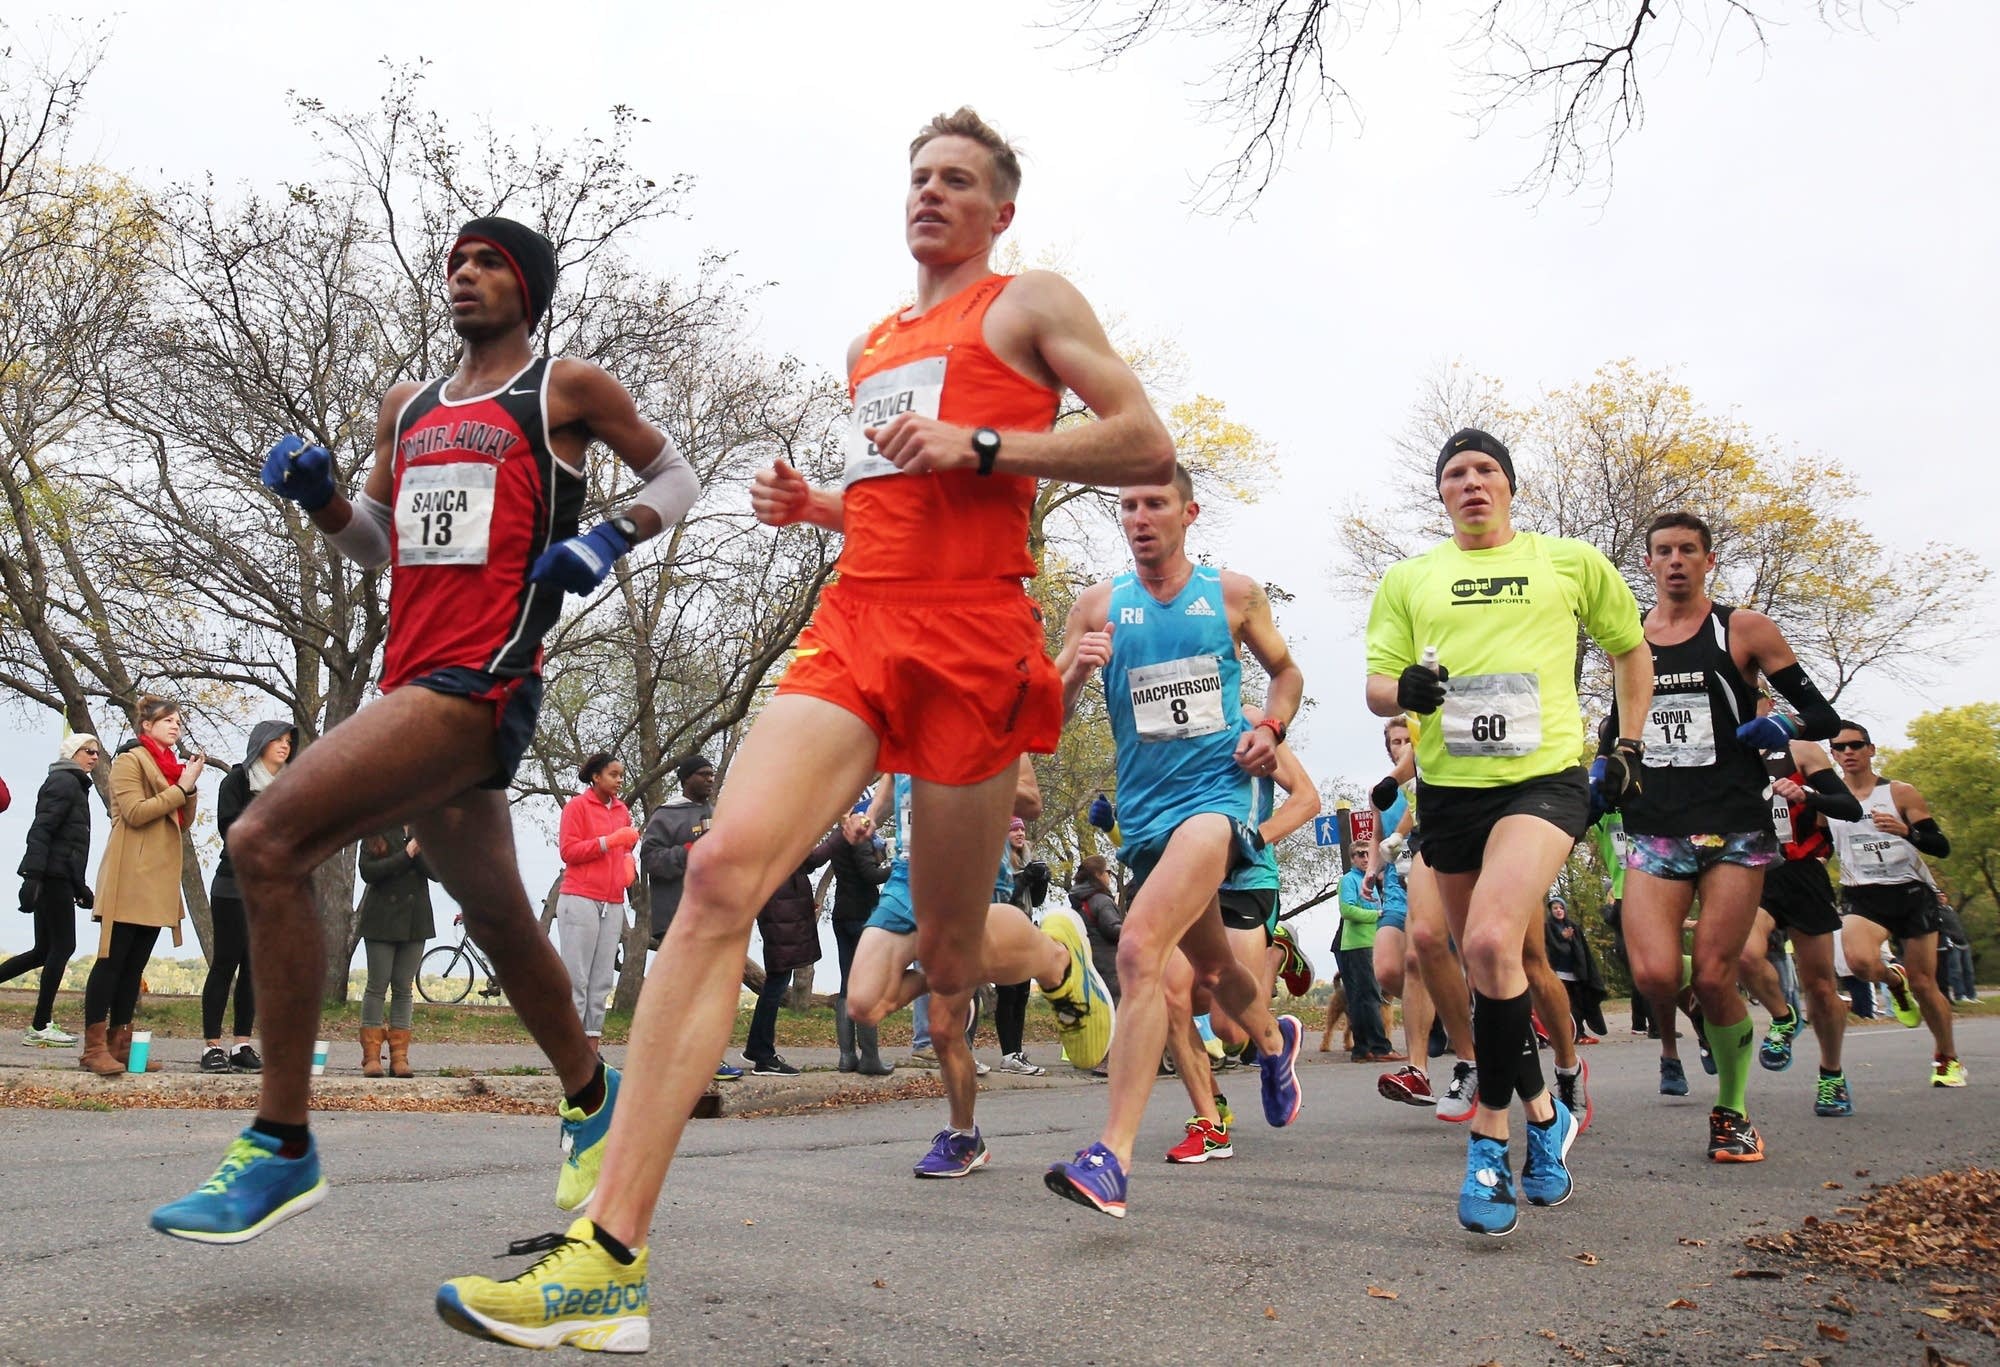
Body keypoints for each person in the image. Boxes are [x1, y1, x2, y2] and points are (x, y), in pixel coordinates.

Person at [436, 108, 1174, 1351]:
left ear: (998, 211)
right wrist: (821, 505)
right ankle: (606, 1255)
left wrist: (982, 442)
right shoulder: (871, 342)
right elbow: (903, 499)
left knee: (948, 957)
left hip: (973, 634)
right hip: (859, 622)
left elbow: (1143, 439)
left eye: (956, 181)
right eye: (918, 177)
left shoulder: (1030, 301)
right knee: (719, 870)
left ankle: (1055, 964)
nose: (929, 193)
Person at [150, 214, 700, 1246]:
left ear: (527, 287)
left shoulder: (564, 389)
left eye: (488, 262)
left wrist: (608, 536)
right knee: (497, 915)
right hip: (412, 672)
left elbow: (677, 475)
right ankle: (595, 1098)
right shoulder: (406, 406)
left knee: (263, 840)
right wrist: (321, 497)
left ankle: (281, 1142)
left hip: (484, 678)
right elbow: (373, 544)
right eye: (456, 261)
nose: (465, 273)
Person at [1365, 427, 1652, 1236]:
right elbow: (1377, 685)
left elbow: (1632, 653)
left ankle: (1490, 1142)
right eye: (1455, 473)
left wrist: (1628, 747)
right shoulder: (1410, 578)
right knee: (1486, 967)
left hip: (1543, 781)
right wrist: (1405, 689)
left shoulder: (1569, 562)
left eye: (1486, 469)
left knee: (1493, 942)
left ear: (1510, 485)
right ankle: (1543, 1111)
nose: (1472, 482)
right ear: (1441, 493)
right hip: (1451, 792)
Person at [1043, 461, 1304, 1219]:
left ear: (1189, 512)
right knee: (1216, 967)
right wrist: (1073, 672)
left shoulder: (1233, 595)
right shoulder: (1096, 607)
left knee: (1138, 953)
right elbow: (1045, 723)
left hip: (1216, 802)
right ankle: (1273, 1040)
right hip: (1145, 819)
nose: (1139, 517)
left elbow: (1286, 673)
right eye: (1127, 505)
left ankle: (1112, 1157)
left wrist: (1269, 727)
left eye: (1155, 503)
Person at [1609, 512, 1845, 1163]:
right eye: (1663, 550)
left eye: (1688, 549)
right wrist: (1604, 770)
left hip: (1735, 828)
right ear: (1648, 563)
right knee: (1655, 974)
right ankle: (1718, 1029)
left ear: (1708, 560)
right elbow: (1619, 723)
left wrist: (1785, 725)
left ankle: (1733, 1112)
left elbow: (1823, 714)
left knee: (1716, 976)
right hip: (1656, 826)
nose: (1675, 560)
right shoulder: (1628, 636)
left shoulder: (1742, 628)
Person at [847, 760, 1112, 1175]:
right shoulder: (901, 724)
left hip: (972, 869)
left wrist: (964, 774)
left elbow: (1031, 801)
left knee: (942, 1030)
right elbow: (892, 777)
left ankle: (1057, 959)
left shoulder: (988, 721)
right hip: (907, 876)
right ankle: (950, 969)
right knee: (864, 1004)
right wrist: (869, 816)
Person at [1731, 693, 1864, 1116]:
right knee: (1744, 955)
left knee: (1820, 987)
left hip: (1802, 871)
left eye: (1747, 699)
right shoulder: (1718, 754)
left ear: (1766, 705)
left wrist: (1807, 794)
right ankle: (1783, 1017)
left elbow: (1849, 807)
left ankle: (1831, 1074)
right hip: (1751, 869)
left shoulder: (1801, 751)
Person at [1825, 722, 1964, 1087]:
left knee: (1925, 984)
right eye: (1839, 747)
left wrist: (1907, 832)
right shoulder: (1829, 801)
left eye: (1856, 745)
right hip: (1862, 894)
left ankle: (1947, 1057)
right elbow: (1820, 846)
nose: (1848, 752)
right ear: (1833, 755)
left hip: (1910, 894)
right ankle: (1893, 981)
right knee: (1859, 962)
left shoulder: (1899, 792)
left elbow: (1940, 846)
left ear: (1870, 749)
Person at [79, 697, 205, 1076]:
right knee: (112, 960)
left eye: (178, 721)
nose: (175, 726)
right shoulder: (129, 760)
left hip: (159, 877)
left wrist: (189, 789)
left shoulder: (172, 768)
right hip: (129, 872)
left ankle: (120, 1045)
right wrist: (181, 788)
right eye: (167, 720)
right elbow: (134, 813)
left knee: (134, 966)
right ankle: (94, 1048)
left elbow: (181, 821)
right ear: (146, 725)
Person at [200, 720, 295, 1074]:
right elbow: (230, 828)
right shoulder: (237, 780)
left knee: (254, 966)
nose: (284, 746)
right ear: (261, 743)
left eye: (289, 742)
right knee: (225, 962)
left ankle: (242, 1044)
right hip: (233, 884)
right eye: (277, 740)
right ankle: (212, 1046)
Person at [638, 755, 737, 1083]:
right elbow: (651, 861)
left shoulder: (717, 814)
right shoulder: (666, 816)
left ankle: (706, 1058)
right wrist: (690, 850)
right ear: (685, 780)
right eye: (703, 774)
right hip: (678, 917)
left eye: (712, 774)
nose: (710, 779)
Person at [5, 732, 100, 1046]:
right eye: (89, 751)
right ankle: (40, 1024)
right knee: (63, 946)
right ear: (72, 753)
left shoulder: (75, 785)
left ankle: (40, 1024)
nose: (95, 757)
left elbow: (69, 843)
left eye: (97, 753)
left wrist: (80, 887)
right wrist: (32, 875)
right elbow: (42, 829)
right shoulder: (64, 782)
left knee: (43, 951)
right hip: (51, 876)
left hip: (60, 876)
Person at [558, 753, 639, 1050]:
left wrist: (628, 860)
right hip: (580, 897)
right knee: (577, 978)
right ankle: (571, 1050)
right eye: (613, 775)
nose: (619, 780)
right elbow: (568, 851)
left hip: (612, 901)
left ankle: (591, 1049)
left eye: (621, 775)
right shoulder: (577, 807)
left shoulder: (622, 810)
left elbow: (626, 846)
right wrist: (608, 842)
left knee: (602, 978)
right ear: (596, 776)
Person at [739, 838, 832, 1077]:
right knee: (776, 985)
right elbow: (810, 859)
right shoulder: (773, 834)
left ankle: (756, 1048)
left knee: (775, 983)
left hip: (781, 913)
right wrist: (843, 834)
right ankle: (763, 1056)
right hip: (779, 916)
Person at [356, 826, 435, 1077]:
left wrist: (418, 847)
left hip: (416, 920)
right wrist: (406, 854)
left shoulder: (425, 830)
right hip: (381, 919)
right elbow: (368, 872)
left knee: (403, 988)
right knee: (377, 986)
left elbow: (437, 873)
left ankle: (400, 1057)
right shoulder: (376, 828)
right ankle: (371, 1056)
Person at [824, 805, 892, 1074]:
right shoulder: (861, 840)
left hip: (841, 913)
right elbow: (870, 875)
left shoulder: (838, 836)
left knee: (847, 984)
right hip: (862, 915)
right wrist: (898, 867)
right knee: (866, 984)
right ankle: (870, 1057)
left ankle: (846, 1055)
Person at [1336, 846, 1396, 1062]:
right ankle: (1380, 1048)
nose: (1365, 857)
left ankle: (1362, 1049)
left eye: (1368, 854)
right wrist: (1377, 914)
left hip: (1371, 942)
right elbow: (1347, 910)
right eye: (1360, 854)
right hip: (1358, 944)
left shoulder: (1370, 881)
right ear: (1352, 858)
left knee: (1362, 999)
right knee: (1369, 997)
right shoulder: (1348, 880)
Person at [1543, 898, 1605, 1043]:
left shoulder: (1572, 926)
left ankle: (1579, 1033)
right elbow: (1551, 949)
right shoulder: (1548, 928)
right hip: (1558, 974)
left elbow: (1581, 949)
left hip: (1575, 973)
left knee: (1578, 1005)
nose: (1558, 910)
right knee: (1564, 1006)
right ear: (1551, 911)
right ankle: (1566, 1035)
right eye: (1555, 908)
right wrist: (1562, 938)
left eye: (1561, 908)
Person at [1070, 855, 1123, 1003]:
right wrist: (1131, 929)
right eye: (1108, 872)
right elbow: (1112, 929)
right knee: (1114, 1007)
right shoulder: (1102, 900)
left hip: (1087, 964)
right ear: (1098, 874)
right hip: (1108, 966)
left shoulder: (1078, 901)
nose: (1109, 876)